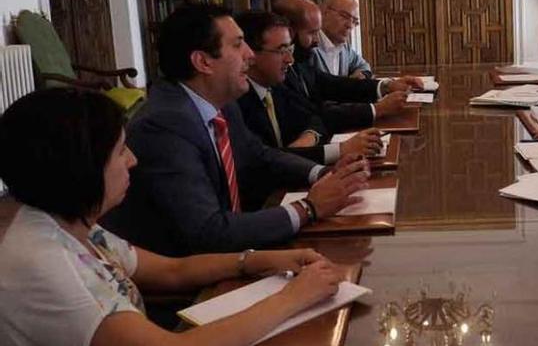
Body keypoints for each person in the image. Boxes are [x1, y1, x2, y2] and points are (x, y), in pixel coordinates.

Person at [0, 88, 345, 346]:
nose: (133, 160)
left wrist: (262, 260)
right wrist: (294, 297)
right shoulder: (42, 262)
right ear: (80, 167)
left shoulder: (64, 219)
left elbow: (171, 271)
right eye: (121, 151)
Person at [102, 4, 369, 256]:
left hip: (234, 253)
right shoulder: (164, 125)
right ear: (203, 62)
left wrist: (324, 175)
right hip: (192, 284)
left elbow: (260, 155)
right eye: (238, 45)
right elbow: (208, 232)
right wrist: (308, 208)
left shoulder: (219, 103)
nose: (250, 55)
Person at [236, 11, 383, 164]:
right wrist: (340, 150)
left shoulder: (274, 88)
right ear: (250, 55)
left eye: (289, 50)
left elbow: (314, 117)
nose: (290, 59)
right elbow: (263, 160)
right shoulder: (236, 101)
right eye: (281, 50)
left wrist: (308, 136)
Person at [273, 0, 421, 133]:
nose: (316, 40)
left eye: (354, 21)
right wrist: (376, 109)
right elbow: (313, 112)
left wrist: (386, 86)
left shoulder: (300, 62)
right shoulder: (278, 72)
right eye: (312, 33)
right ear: (289, 32)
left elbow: (332, 84)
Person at [312, 0, 373, 78]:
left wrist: (362, 74)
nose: (350, 25)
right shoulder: (310, 46)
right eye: (344, 16)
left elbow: (364, 66)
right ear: (324, 12)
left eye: (354, 22)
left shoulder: (345, 49)